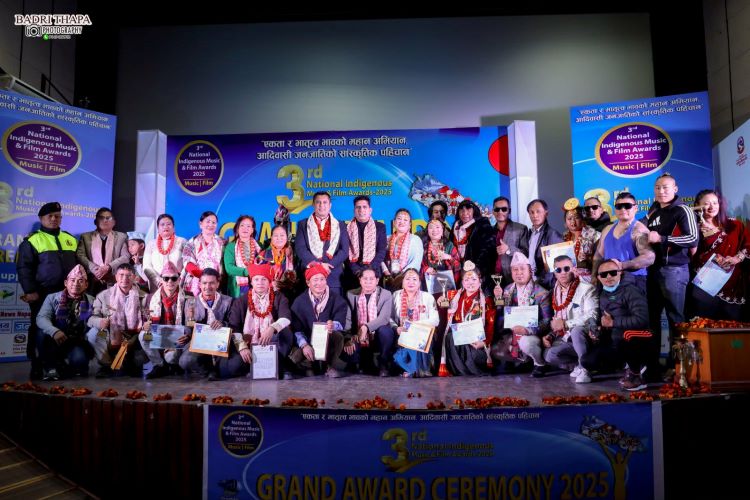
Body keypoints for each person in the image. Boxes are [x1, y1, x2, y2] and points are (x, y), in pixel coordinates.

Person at [17, 201, 78, 379]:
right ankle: (37, 364)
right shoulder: (32, 240)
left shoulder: (70, 239)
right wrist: (30, 290)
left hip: (66, 294)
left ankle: (57, 363)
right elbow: (24, 268)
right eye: (49, 216)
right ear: (41, 218)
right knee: (40, 328)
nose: (53, 219)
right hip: (42, 293)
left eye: (57, 216)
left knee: (62, 328)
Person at [645, 173, 698, 377]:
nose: (661, 191)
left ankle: (681, 369)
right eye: (658, 187)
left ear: (675, 189)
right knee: (653, 320)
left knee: (676, 319)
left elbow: (693, 238)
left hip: (674, 271)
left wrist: (662, 238)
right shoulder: (653, 211)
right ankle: (656, 367)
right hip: (653, 271)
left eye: (666, 187)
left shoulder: (682, 209)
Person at [689, 189, 750, 320]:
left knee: (732, 328)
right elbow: (690, 256)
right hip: (705, 284)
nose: (712, 207)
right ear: (698, 205)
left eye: (715, 203)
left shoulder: (735, 225)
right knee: (704, 324)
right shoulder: (692, 229)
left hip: (732, 284)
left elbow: (748, 245)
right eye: (706, 203)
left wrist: (737, 258)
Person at [225, 263, 293, 379]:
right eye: (256, 279)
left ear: (269, 282)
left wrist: (272, 328)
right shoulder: (241, 301)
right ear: (251, 282)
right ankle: (255, 367)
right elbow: (234, 326)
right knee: (233, 367)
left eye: (264, 279)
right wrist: (242, 347)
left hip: (273, 343)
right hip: (249, 344)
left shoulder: (279, 297)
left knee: (285, 332)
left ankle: (279, 364)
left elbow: (286, 318)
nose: (260, 283)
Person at [490, 252, 552, 373]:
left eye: (522, 269)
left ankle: (539, 363)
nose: (519, 273)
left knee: (526, 343)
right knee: (495, 349)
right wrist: (498, 300)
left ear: (530, 271)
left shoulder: (541, 293)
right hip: (513, 333)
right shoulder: (508, 290)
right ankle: (522, 362)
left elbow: (547, 321)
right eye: (515, 270)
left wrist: (527, 330)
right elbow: (502, 315)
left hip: (533, 334)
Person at [542, 255, 600, 382]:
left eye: (566, 268)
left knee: (576, 330)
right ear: (554, 273)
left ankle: (585, 369)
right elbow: (558, 318)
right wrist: (551, 335)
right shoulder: (555, 290)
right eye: (558, 270)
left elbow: (592, 316)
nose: (562, 273)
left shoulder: (587, 288)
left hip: (586, 336)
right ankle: (579, 364)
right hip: (566, 339)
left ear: (573, 269)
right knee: (549, 355)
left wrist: (566, 324)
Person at [596, 259, 651, 391]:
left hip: (640, 335)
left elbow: (642, 319)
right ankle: (628, 367)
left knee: (624, 336)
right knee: (589, 361)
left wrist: (613, 322)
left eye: (613, 273)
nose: (608, 277)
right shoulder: (602, 294)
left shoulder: (631, 290)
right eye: (604, 274)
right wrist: (598, 328)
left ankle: (636, 375)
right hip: (616, 336)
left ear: (620, 273)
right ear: (599, 278)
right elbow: (605, 320)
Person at [35, 265, 95, 380]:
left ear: (86, 285)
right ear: (66, 283)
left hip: (77, 341)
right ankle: (51, 368)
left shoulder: (92, 301)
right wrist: (54, 331)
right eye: (72, 280)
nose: (76, 284)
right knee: (41, 332)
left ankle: (65, 365)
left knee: (79, 361)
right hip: (55, 339)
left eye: (80, 281)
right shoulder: (52, 298)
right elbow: (41, 318)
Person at [87, 263, 146, 377]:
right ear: (116, 277)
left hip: (134, 337)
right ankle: (106, 365)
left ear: (134, 277)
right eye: (121, 275)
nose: (125, 279)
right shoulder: (103, 296)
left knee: (140, 354)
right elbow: (91, 318)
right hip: (111, 336)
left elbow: (149, 319)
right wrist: (100, 322)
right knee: (93, 334)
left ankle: (128, 362)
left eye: (129, 275)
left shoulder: (143, 296)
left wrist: (142, 329)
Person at [290, 264, 349, 377]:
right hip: (308, 340)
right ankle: (309, 365)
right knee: (296, 357)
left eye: (322, 279)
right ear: (308, 283)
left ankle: (329, 366)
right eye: (315, 280)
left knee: (338, 336)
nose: (319, 283)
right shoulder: (299, 302)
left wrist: (333, 325)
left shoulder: (336, 299)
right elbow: (297, 330)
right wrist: (304, 345)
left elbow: (340, 321)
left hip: (327, 339)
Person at [180, 268, 236, 379]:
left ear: (218, 284)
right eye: (204, 283)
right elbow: (188, 326)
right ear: (199, 284)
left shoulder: (228, 301)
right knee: (185, 361)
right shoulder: (191, 302)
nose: (208, 287)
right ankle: (207, 370)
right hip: (199, 343)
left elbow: (234, 323)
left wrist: (223, 324)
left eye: (212, 283)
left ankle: (217, 369)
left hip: (222, 342)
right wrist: (187, 334)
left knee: (235, 366)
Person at [592, 192, 653, 293]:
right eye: (619, 206)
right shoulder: (607, 229)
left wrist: (622, 265)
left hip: (633, 282)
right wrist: (594, 275)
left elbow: (649, 258)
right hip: (608, 281)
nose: (623, 209)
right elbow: (598, 255)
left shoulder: (640, 230)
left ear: (636, 208)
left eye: (627, 206)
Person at [442, 261, 496, 375]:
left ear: (480, 281)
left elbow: (491, 325)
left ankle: (467, 370)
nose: (470, 282)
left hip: (476, 343)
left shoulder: (486, 301)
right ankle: (460, 371)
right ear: (462, 282)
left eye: (474, 279)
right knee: (450, 337)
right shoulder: (456, 297)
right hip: (460, 341)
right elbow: (442, 300)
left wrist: (484, 342)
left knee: (476, 355)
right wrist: (439, 300)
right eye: (466, 280)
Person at [139, 261, 189, 379]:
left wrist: (187, 333)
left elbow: (191, 322)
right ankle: (159, 365)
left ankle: (174, 364)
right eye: (166, 278)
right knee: (143, 335)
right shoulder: (150, 298)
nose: (170, 281)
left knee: (171, 358)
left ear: (179, 279)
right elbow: (144, 319)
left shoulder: (188, 297)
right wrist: (145, 325)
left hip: (178, 336)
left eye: (173, 278)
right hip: (159, 335)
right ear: (161, 280)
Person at [294, 192, 350, 294]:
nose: (321, 205)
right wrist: (318, 265)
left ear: (330, 205)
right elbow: (300, 248)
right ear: (313, 204)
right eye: (318, 202)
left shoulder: (340, 225)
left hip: (333, 276)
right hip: (310, 276)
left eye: (325, 202)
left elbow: (344, 251)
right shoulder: (303, 224)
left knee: (335, 304)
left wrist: (329, 265)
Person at [345, 267, 395, 376]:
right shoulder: (351, 294)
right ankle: (359, 362)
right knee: (352, 355)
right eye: (365, 279)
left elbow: (384, 318)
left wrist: (366, 327)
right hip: (359, 335)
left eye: (371, 279)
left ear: (377, 280)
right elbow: (348, 319)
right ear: (360, 280)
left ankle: (383, 363)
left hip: (377, 335)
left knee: (385, 331)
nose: (368, 282)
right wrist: (348, 338)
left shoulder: (386, 294)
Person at [391, 268, 440, 378]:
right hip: (402, 333)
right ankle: (413, 369)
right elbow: (390, 318)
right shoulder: (396, 296)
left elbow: (435, 320)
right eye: (407, 279)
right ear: (402, 282)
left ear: (419, 283)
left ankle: (416, 369)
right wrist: (396, 328)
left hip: (422, 333)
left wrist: (415, 326)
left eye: (414, 279)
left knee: (416, 335)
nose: (411, 282)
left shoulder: (427, 297)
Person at [76, 207, 130, 295]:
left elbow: (126, 256)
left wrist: (108, 267)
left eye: (108, 218)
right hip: (92, 280)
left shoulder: (122, 237)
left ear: (114, 222)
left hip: (113, 280)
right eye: (101, 218)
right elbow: (80, 255)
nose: (105, 220)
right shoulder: (85, 237)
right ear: (95, 222)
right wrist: (95, 269)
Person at [450, 199, 496, 293]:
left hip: (477, 273)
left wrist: (476, 271)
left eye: (468, 209)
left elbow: (488, 251)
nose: (465, 213)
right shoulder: (455, 227)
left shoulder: (482, 225)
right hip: (458, 271)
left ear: (474, 211)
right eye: (462, 210)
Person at [181, 211, 225, 297]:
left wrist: (213, 278)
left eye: (214, 222)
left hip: (216, 282)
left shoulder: (222, 242)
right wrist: (203, 277)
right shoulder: (192, 242)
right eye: (208, 221)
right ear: (200, 224)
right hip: (196, 281)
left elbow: (225, 264)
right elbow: (187, 262)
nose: (211, 225)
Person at [346, 195, 387, 285]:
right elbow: (346, 252)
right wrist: (357, 271)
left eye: (364, 207)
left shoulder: (380, 227)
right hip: (353, 273)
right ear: (354, 210)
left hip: (374, 273)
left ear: (370, 210)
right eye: (358, 207)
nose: (361, 210)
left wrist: (369, 270)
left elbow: (381, 251)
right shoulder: (347, 228)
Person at [524, 199, 563, 288]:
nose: (535, 215)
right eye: (531, 212)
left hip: (544, 285)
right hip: (529, 282)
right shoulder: (529, 233)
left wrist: (539, 286)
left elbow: (552, 269)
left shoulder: (553, 234)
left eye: (538, 211)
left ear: (546, 213)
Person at [492, 196, 529, 287]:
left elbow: (526, 254)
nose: (500, 212)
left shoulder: (520, 229)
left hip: (513, 277)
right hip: (493, 278)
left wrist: (508, 249)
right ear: (493, 212)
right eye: (497, 209)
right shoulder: (489, 230)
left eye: (504, 209)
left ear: (509, 211)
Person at [143, 214, 186, 292]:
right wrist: (157, 280)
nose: (166, 226)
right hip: (157, 285)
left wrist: (179, 279)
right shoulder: (151, 244)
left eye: (169, 224)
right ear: (158, 228)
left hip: (177, 283)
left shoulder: (182, 241)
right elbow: (147, 266)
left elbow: (187, 263)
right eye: (162, 224)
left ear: (173, 227)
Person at [382, 208, 424, 290]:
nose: (402, 222)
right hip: (388, 279)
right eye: (399, 219)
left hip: (408, 281)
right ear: (394, 222)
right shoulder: (386, 239)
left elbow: (416, 262)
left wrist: (401, 277)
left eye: (405, 220)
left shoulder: (415, 239)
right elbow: (381, 258)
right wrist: (387, 273)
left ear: (410, 225)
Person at [223, 215, 262, 298]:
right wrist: (248, 271)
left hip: (257, 286)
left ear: (252, 230)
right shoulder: (231, 246)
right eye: (242, 225)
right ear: (237, 229)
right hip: (238, 288)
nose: (245, 228)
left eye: (248, 226)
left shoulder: (259, 246)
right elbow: (229, 268)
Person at [258, 225, 298, 299]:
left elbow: (297, 278)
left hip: (289, 295)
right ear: (271, 237)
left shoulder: (293, 254)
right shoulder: (263, 254)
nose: (279, 238)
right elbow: (257, 278)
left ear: (287, 237)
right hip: (267, 294)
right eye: (276, 235)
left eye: (282, 235)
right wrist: (271, 284)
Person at [562, 206, 600, 283]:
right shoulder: (563, 237)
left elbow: (600, 257)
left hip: (587, 277)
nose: (573, 222)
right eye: (569, 219)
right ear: (565, 221)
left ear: (582, 219)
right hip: (567, 277)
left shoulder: (594, 235)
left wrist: (588, 258)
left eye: (576, 218)